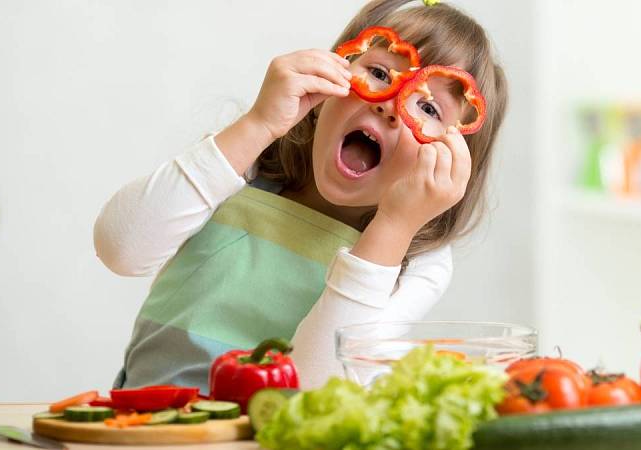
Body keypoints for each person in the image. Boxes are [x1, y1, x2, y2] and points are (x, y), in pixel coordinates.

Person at [94, 0, 508, 391]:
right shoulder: (245, 164)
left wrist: (394, 226)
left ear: (453, 161)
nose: (391, 106)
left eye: (429, 109)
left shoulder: (420, 261)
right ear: (330, 77)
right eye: (380, 74)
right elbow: (120, 249)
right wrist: (257, 123)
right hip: (142, 428)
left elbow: (316, 386)